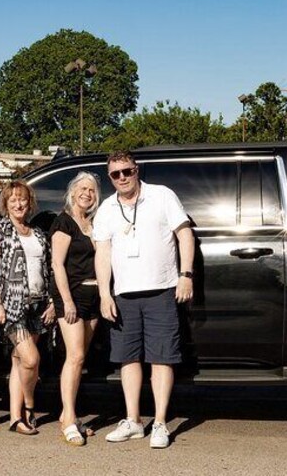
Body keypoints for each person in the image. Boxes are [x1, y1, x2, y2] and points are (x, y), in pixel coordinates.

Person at [93, 151, 194, 449]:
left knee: (162, 357)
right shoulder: (107, 209)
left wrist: (186, 274)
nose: (122, 177)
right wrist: (104, 293)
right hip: (124, 294)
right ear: (110, 177)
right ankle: (133, 420)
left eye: (127, 171)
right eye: (115, 174)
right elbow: (103, 253)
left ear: (136, 170)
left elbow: (184, 234)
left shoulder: (162, 196)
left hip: (162, 289)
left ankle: (160, 423)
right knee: (128, 358)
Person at [0, 180, 55, 435]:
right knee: (31, 359)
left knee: (19, 362)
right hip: (12, 306)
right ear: (5, 204)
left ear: (30, 202)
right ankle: (30, 405)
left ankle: (16, 418)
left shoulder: (37, 233)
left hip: (37, 304)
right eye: (12, 199)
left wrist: (52, 301)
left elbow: (48, 269)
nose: (18, 203)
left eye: (22, 199)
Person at [49, 171, 101, 446]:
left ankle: (67, 413)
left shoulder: (93, 223)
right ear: (72, 191)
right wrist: (66, 301)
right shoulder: (64, 223)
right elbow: (57, 264)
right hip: (73, 297)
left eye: (91, 190)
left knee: (81, 359)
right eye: (82, 188)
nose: (87, 193)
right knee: (76, 356)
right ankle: (69, 419)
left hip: (94, 297)